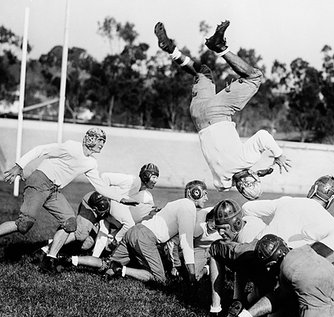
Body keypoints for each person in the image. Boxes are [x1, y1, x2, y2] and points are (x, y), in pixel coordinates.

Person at [154, 20, 291, 200]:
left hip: (217, 114)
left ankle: (219, 47)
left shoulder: (246, 160)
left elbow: (264, 136)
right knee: (202, 72)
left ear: (250, 178)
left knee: (254, 78)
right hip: (198, 115)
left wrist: (278, 155)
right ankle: (171, 49)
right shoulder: (221, 181)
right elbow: (232, 182)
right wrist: (254, 173)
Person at [0, 128, 138, 272]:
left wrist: (121, 199)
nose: (102, 144)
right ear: (90, 138)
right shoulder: (72, 147)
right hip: (39, 182)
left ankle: (49, 260)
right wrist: (19, 166)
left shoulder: (91, 163)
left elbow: (100, 186)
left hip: (54, 190)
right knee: (24, 225)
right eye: (99, 140)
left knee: (70, 223)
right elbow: (41, 149)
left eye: (103, 141)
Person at [209, 176, 334, 317]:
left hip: (256, 252)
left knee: (215, 250)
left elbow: (247, 208)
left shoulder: (289, 201)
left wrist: (261, 225)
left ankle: (216, 309)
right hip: (285, 269)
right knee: (280, 284)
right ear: (331, 200)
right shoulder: (332, 224)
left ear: (313, 190)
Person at [61, 180, 208, 285]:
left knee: (108, 265)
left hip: (133, 232)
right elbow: (186, 241)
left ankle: (68, 259)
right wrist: (192, 273)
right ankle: (122, 270)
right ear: (195, 193)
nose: (207, 198)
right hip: (146, 238)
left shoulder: (177, 203)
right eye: (204, 194)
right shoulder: (188, 207)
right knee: (160, 279)